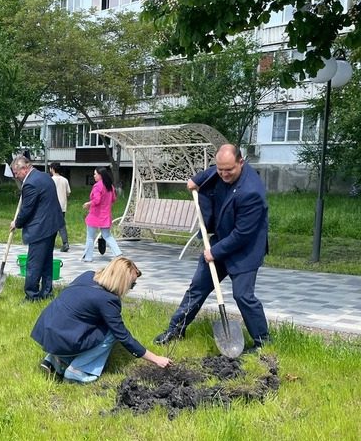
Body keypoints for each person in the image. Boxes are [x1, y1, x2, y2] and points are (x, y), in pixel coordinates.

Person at [153, 144, 271, 353]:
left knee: (243, 295)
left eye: (229, 170)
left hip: (245, 249)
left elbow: (242, 234)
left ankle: (263, 342)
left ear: (241, 163)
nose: (224, 174)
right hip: (220, 241)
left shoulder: (252, 192)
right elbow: (211, 173)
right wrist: (196, 180)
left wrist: (214, 252)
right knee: (198, 288)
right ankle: (176, 329)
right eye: (220, 169)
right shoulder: (222, 169)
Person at [31, 257, 172, 384]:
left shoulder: (87, 275)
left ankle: (55, 360)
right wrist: (156, 359)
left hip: (45, 330)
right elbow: (124, 337)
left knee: (89, 322)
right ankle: (78, 371)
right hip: (63, 338)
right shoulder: (108, 300)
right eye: (132, 284)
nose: (131, 288)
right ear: (122, 282)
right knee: (111, 333)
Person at [9, 155, 65, 301]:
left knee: (33, 264)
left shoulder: (30, 184)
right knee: (46, 261)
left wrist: (17, 223)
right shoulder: (45, 176)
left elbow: (27, 209)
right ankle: (46, 291)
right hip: (52, 225)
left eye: (17, 172)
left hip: (40, 228)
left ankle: (32, 295)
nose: (16, 176)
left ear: (25, 168)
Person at [82, 167, 122, 262]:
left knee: (90, 237)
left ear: (100, 175)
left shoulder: (97, 186)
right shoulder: (110, 186)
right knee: (107, 236)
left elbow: (97, 200)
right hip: (105, 215)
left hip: (95, 215)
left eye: (95, 174)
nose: (94, 176)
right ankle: (118, 253)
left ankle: (88, 257)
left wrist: (88, 203)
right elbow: (113, 199)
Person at [49, 163, 71, 252]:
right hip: (62, 206)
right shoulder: (65, 180)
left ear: (52, 169)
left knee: (51, 225)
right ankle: (65, 243)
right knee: (61, 225)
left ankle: (50, 243)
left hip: (51, 206)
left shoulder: (50, 180)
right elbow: (68, 193)